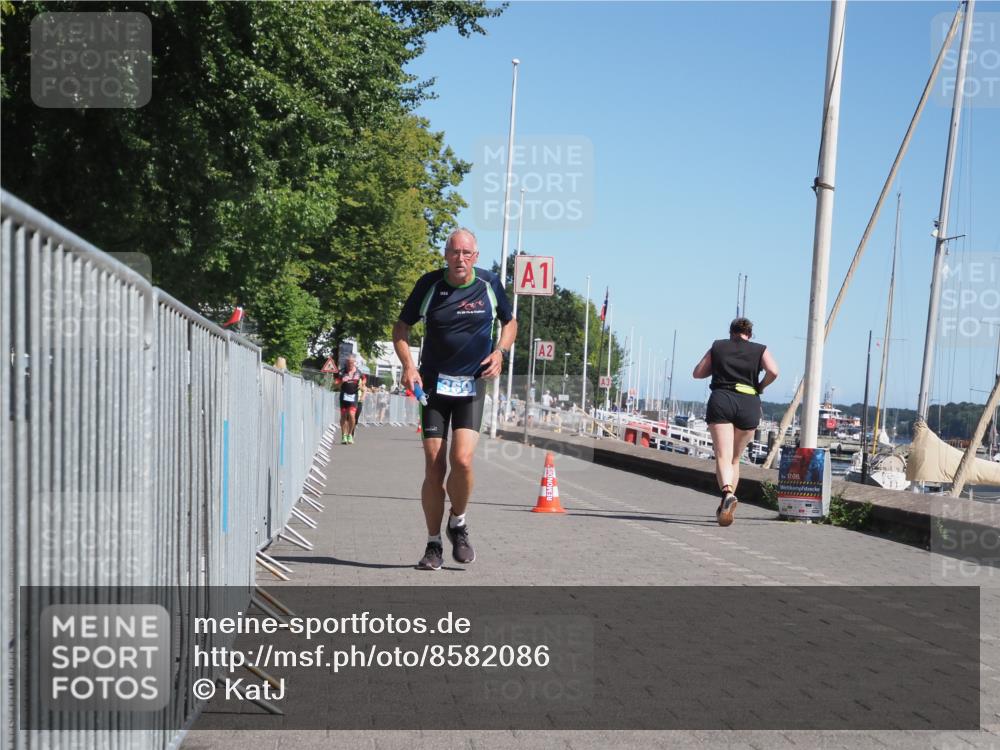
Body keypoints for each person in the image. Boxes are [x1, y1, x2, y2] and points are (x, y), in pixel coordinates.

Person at [392, 228, 517, 570]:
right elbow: (401, 328)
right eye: (454, 252)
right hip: (433, 387)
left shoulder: (490, 284)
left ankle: (457, 523)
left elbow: (510, 322)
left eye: (467, 253)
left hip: (471, 386)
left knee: (462, 461)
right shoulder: (430, 284)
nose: (460, 258)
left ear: (475, 257)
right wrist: (408, 366)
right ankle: (433, 544)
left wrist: (501, 351)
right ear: (445, 255)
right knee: (435, 468)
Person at [692, 317, 779, 526]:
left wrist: (721, 364)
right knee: (734, 458)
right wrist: (760, 386)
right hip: (749, 403)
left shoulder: (718, 346)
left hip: (722, 399)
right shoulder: (760, 349)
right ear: (749, 334)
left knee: (722, 455)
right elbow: (774, 371)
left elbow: (698, 373)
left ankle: (727, 494)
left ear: (731, 332)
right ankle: (726, 504)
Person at [332, 355, 365, 445]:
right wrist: (342, 381)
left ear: (354, 362)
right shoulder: (342, 372)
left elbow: (364, 380)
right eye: (348, 363)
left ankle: (350, 434)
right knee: (343, 416)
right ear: (346, 363)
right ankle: (344, 435)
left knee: (351, 415)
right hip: (344, 396)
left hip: (353, 396)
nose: (350, 364)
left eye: (351, 363)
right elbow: (335, 384)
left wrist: (361, 385)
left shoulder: (358, 372)